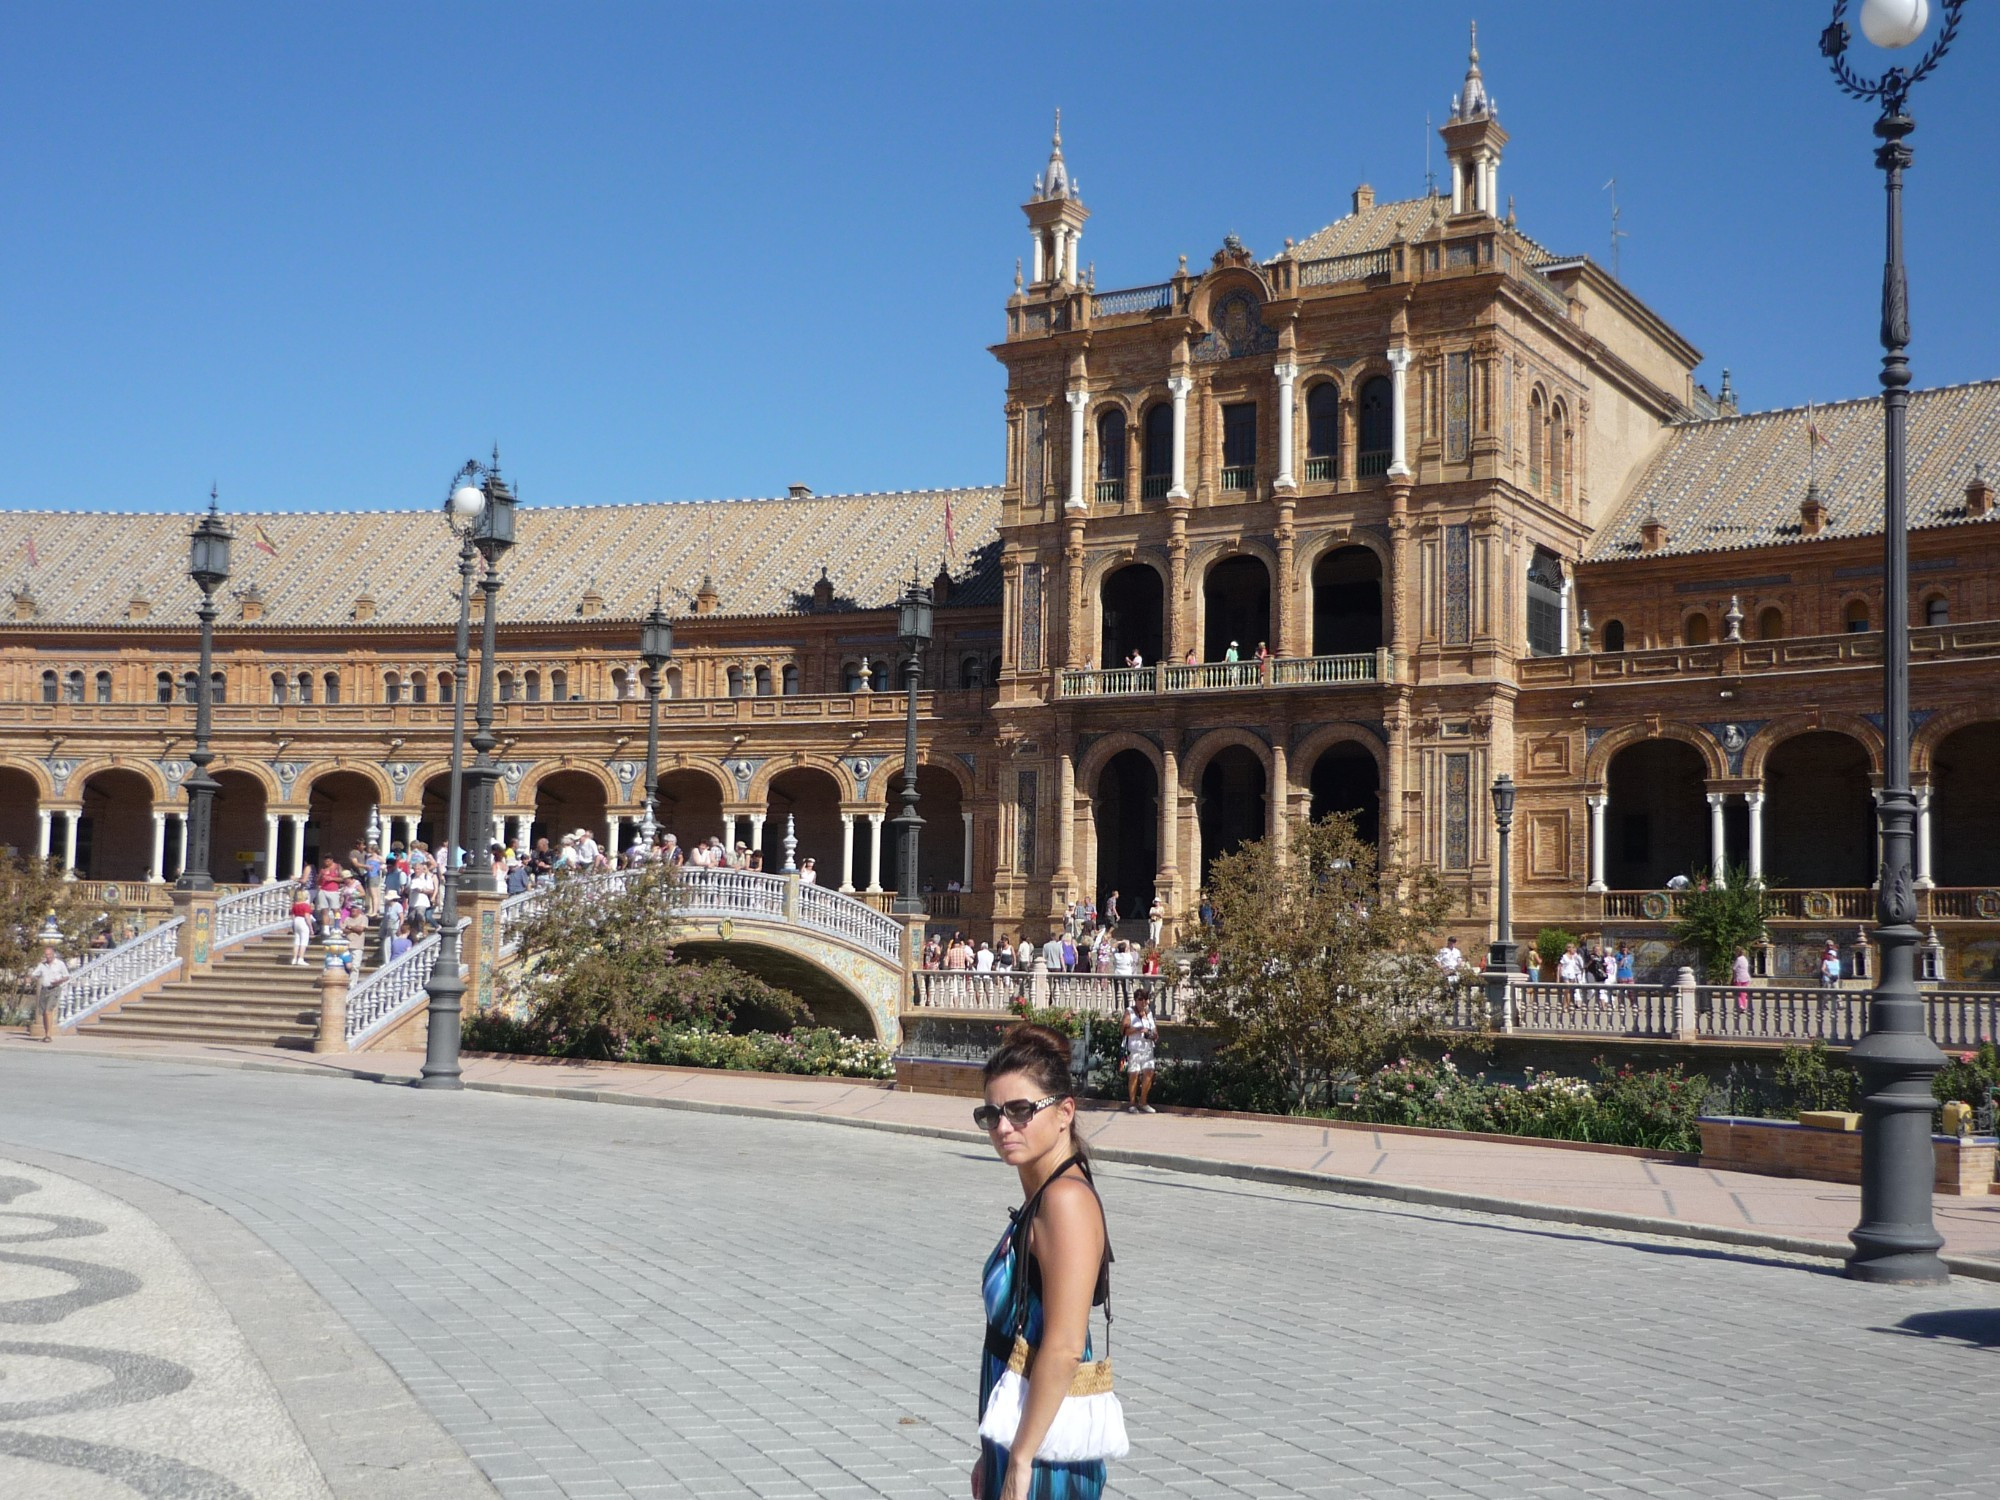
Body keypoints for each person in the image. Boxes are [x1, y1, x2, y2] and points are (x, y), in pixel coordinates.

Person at [972, 1025, 1123, 1499]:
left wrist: (1019, 1459)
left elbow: (1062, 1345)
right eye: (992, 1114)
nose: (1003, 1127)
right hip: (1021, 1422)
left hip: (1045, 1447)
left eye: (1020, 1111)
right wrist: (992, 1445)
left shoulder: (1065, 1202)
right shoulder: (1044, 1191)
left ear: (1064, 1113)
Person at [1122, 989, 1158, 1114]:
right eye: (1140, 1000)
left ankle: (1143, 1101)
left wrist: (1151, 1034)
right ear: (1136, 1000)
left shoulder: (1148, 1013)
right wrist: (1138, 1029)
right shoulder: (1129, 1012)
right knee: (1134, 1074)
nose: (1143, 1002)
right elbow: (1124, 1030)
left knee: (1149, 1073)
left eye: (1145, 1000)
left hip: (1147, 1048)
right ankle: (1132, 1103)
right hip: (1134, 1048)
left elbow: (1155, 1031)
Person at [27, 945, 68, 1042]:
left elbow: (66, 976)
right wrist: (29, 978)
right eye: (46, 955)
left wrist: (58, 981)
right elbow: (34, 974)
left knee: (48, 1011)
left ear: (53, 954)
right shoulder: (42, 965)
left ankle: (49, 1035)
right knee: (44, 1013)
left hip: (54, 989)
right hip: (44, 989)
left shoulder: (60, 964)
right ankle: (46, 1033)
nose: (48, 956)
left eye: (49, 954)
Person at [290, 889, 315, 965]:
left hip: (296, 920)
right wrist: (311, 928)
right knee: (304, 941)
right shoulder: (306, 906)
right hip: (303, 921)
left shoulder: (295, 905)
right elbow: (307, 917)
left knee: (297, 941)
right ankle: (301, 958)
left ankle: (294, 958)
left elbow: (293, 916)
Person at [1732, 946, 1752, 1012]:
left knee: (1738, 993)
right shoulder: (1745, 959)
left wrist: (1734, 978)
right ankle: (1744, 1006)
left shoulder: (1739, 959)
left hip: (1739, 978)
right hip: (1746, 977)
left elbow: (1734, 968)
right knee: (1743, 993)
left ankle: (1741, 1006)